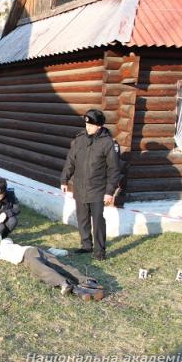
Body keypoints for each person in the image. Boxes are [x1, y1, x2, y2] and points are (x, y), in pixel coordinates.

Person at [60, 109, 120, 261]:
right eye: (86, 124)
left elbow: (114, 169)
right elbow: (70, 161)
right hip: (80, 187)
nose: (88, 127)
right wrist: (64, 180)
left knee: (98, 219)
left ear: (99, 126)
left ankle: (100, 251)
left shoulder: (108, 143)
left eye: (91, 125)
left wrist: (109, 191)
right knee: (82, 218)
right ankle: (86, 245)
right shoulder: (80, 139)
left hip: (98, 189)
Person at [0, 238, 104, 301]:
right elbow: (51, 251)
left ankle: (65, 284)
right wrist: (63, 252)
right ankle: (89, 282)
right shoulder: (20, 245)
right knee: (60, 266)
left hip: (27, 256)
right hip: (37, 250)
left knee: (41, 270)